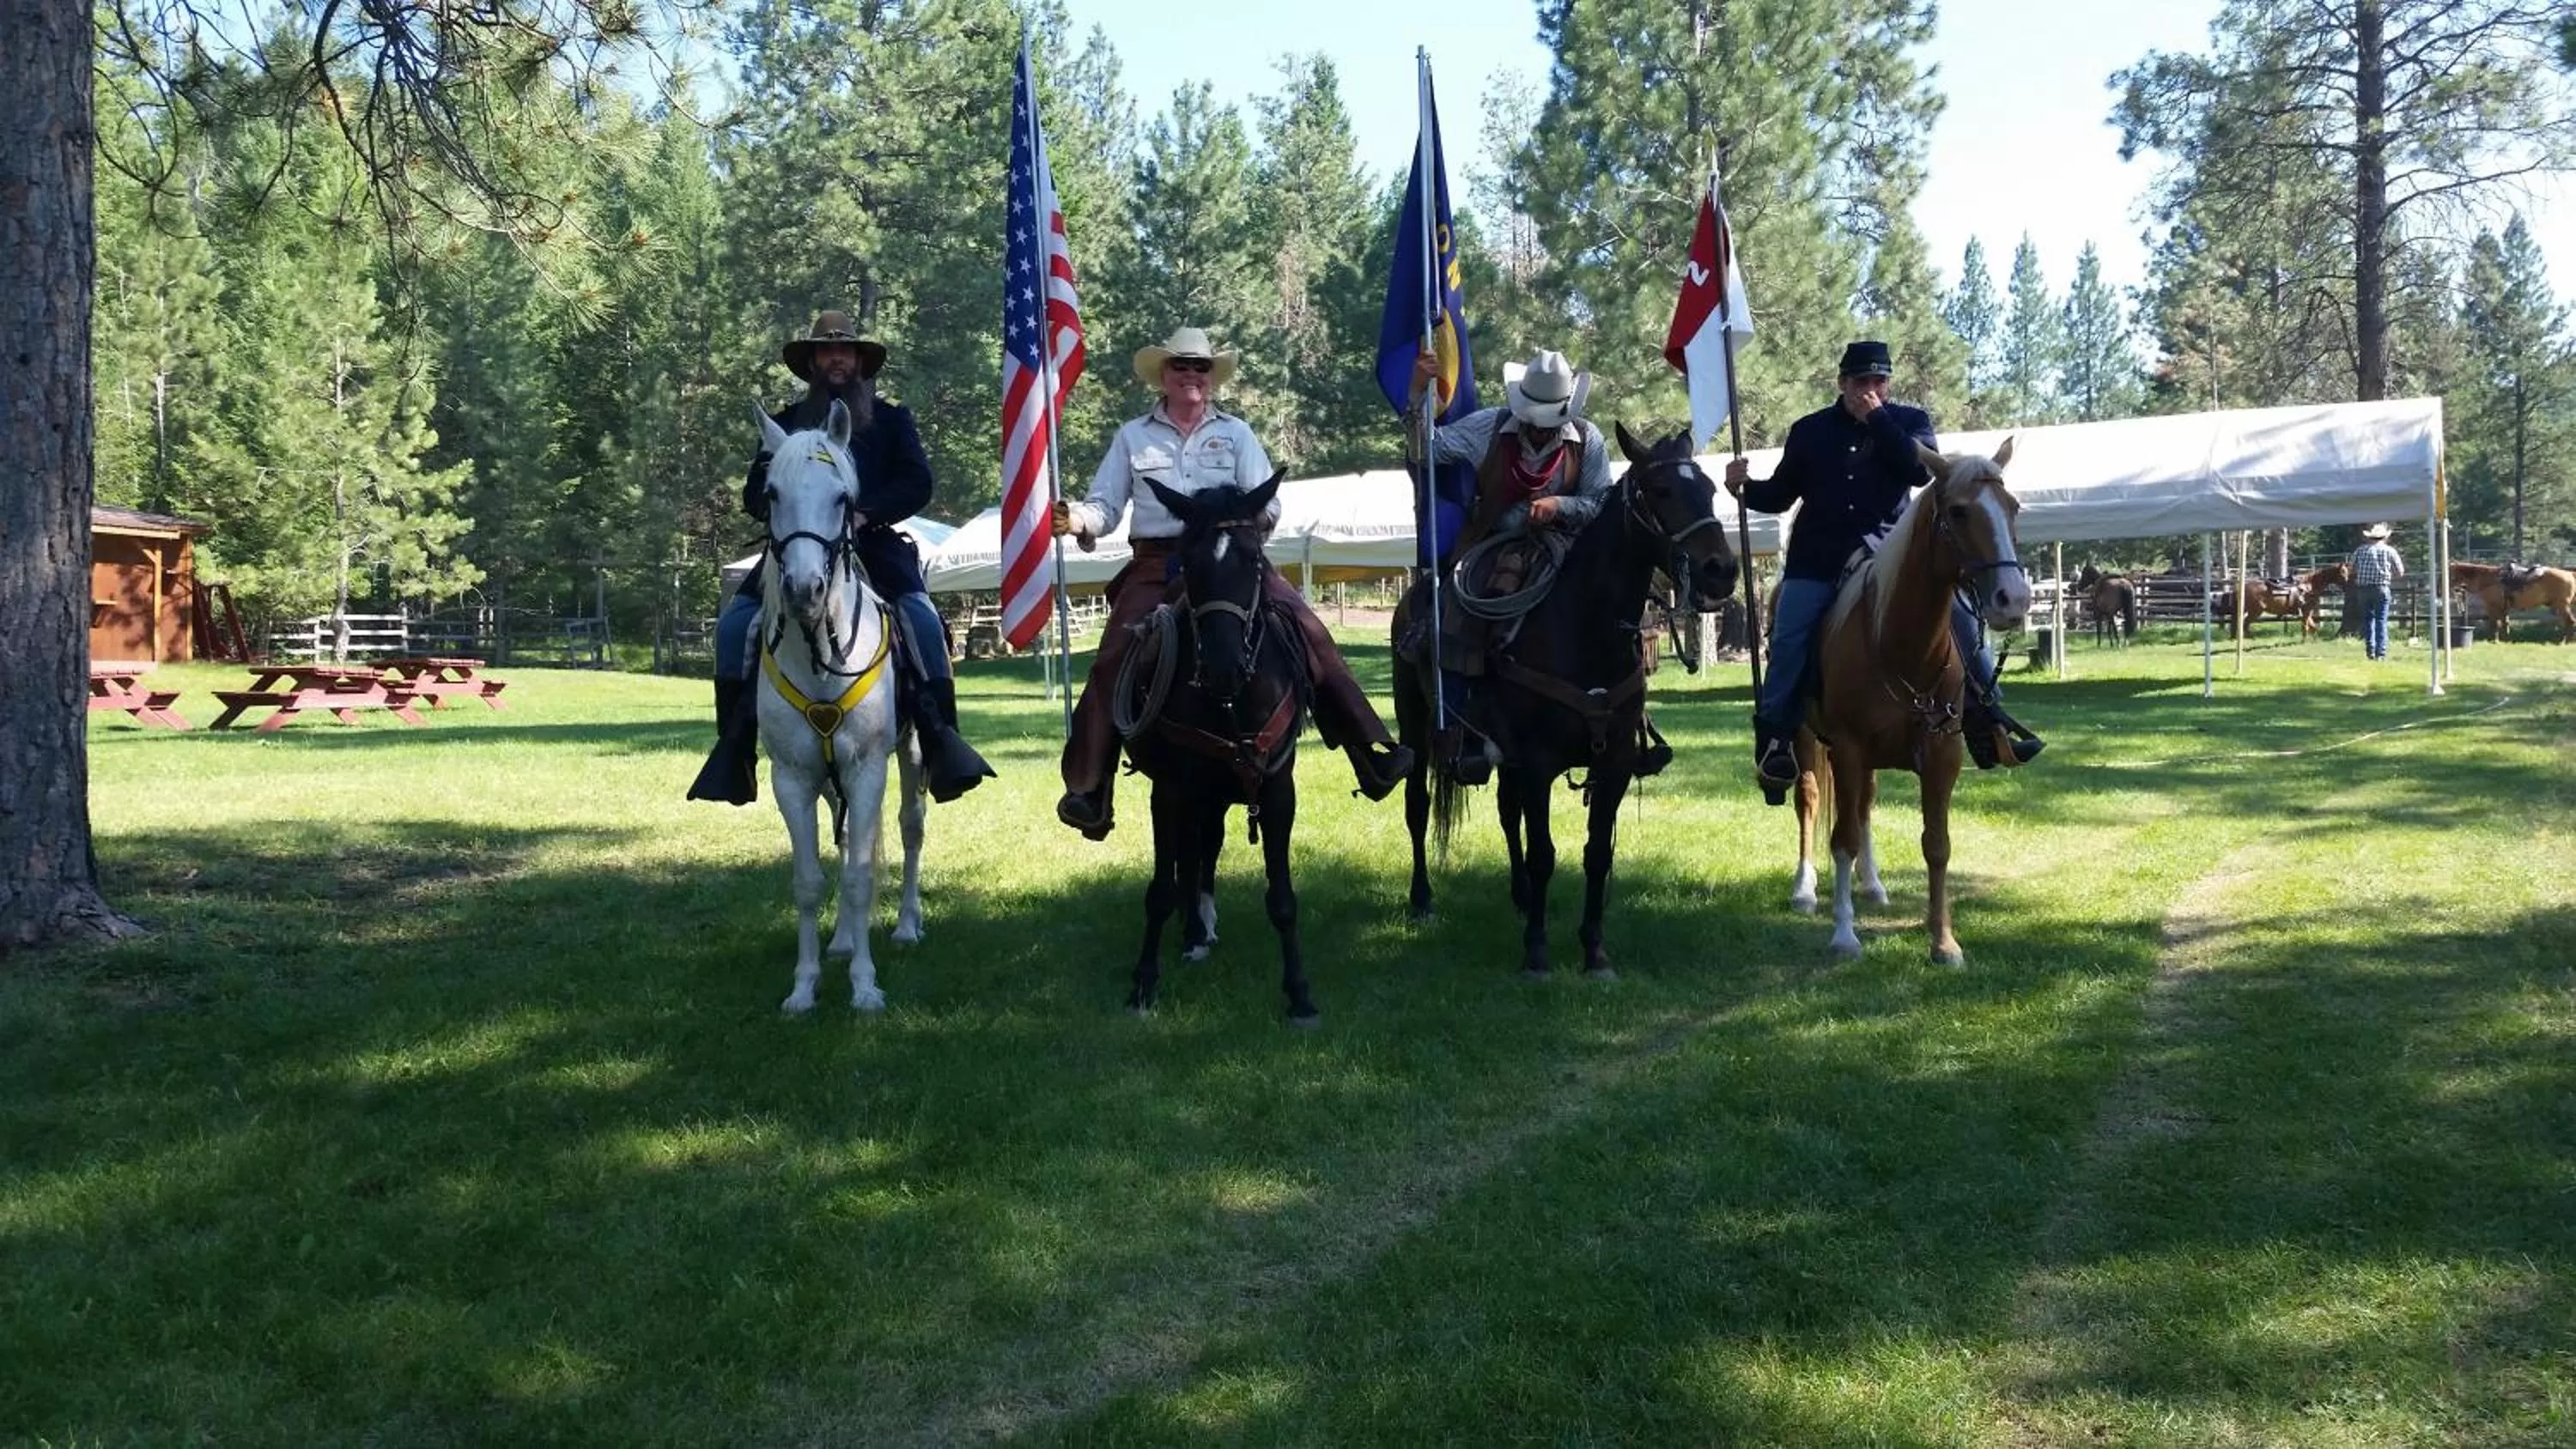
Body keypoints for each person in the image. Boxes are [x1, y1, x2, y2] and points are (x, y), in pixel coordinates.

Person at [1051, 326, 1413, 839]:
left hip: (1231, 555)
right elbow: (1106, 507)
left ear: (1211, 377)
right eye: (1181, 366)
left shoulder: (1238, 434)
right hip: (1158, 562)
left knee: (1307, 629)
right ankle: (1091, 787)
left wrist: (1245, 524)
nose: (1191, 375)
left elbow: (1270, 502)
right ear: (1165, 374)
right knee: (1114, 656)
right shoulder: (1133, 436)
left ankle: (1367, 750)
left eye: (1200, 367)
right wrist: (1079, 521)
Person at [688, 311, 994, 807]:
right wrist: (787, 507)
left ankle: (942, 742)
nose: (836, 359)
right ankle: (735, 751)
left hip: (872, 543)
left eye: (845, 351)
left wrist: (864, 514)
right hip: (796, 551)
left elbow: (918, 482)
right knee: (733, 626)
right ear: (811, 362)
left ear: (859, 362)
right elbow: (753, 494)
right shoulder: (784, 425)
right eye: (826, 351)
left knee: (920, 620)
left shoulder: (892, 420)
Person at [1722, 339, 2042, 806]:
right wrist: (1743, 488)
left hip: (1893, 557)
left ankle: (1989, 721)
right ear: (1842, 383)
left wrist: (1878, 419)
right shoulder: (1809, 430)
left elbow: (1920, 474)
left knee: (1964, 621)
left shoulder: (1909, 423)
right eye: (1860, 382)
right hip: (1820, 557)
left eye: (1879, 382)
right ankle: (1775, 742)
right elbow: (1782, 494)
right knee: (1790, 633)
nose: (1870, 390)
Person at [1405, 348, 1613, 784]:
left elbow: (1600, 502)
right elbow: (1429, 451)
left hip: (1566, 545)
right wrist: (1418, 397)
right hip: (1494, 542)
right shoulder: (1491, 426)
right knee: (1460, 615)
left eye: (1549, 422)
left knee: (1617, 612)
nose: (1540, 431)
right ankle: (1462, 727)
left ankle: (1623, 724)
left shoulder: (1588, 438)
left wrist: (1559, 505)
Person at [2350, 522, 2403, 660]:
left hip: (2363, 589)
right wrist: (2389, 576)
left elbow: (2352, 569)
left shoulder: (2360, 551)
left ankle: (2370, 651)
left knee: (2368, 621)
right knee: (2381, 620)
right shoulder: (2390, 551)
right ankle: (2381, 653)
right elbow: (2400, 572)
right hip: (2381, 588)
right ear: (2384, 537)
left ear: (2370, 537)